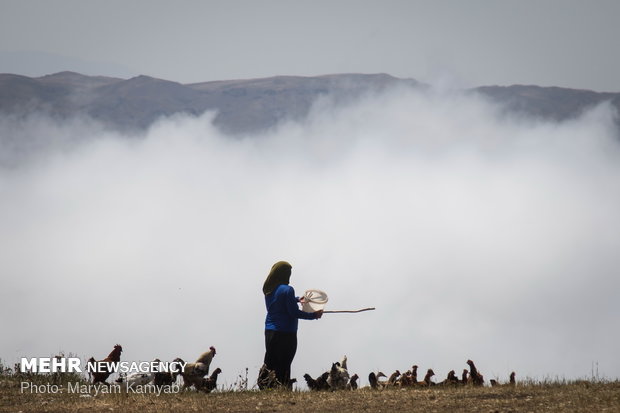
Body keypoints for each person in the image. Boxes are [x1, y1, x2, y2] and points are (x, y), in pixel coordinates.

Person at [261, 260, 323, 389]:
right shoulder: (288, 289)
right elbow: (293, 312)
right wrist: (313, 315)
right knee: (284, 363)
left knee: (271, 361)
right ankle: (283, 388)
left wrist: (296, 299)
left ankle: (265, 385)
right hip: (286, 333)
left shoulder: (268, 289)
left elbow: (280, 301)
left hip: (270, 332)